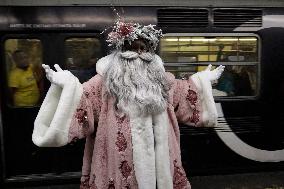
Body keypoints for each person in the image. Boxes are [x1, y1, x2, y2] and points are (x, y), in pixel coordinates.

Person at [32, 21, 224, 189]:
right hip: (117, 168)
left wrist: (204, 80)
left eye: (144, 48)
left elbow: (186, 94)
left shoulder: (164, 81)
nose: (140, 53)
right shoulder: (103, 83)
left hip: (161, 167)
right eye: (134, 48)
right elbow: (83, 102)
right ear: (122, 52)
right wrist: (65, 85)